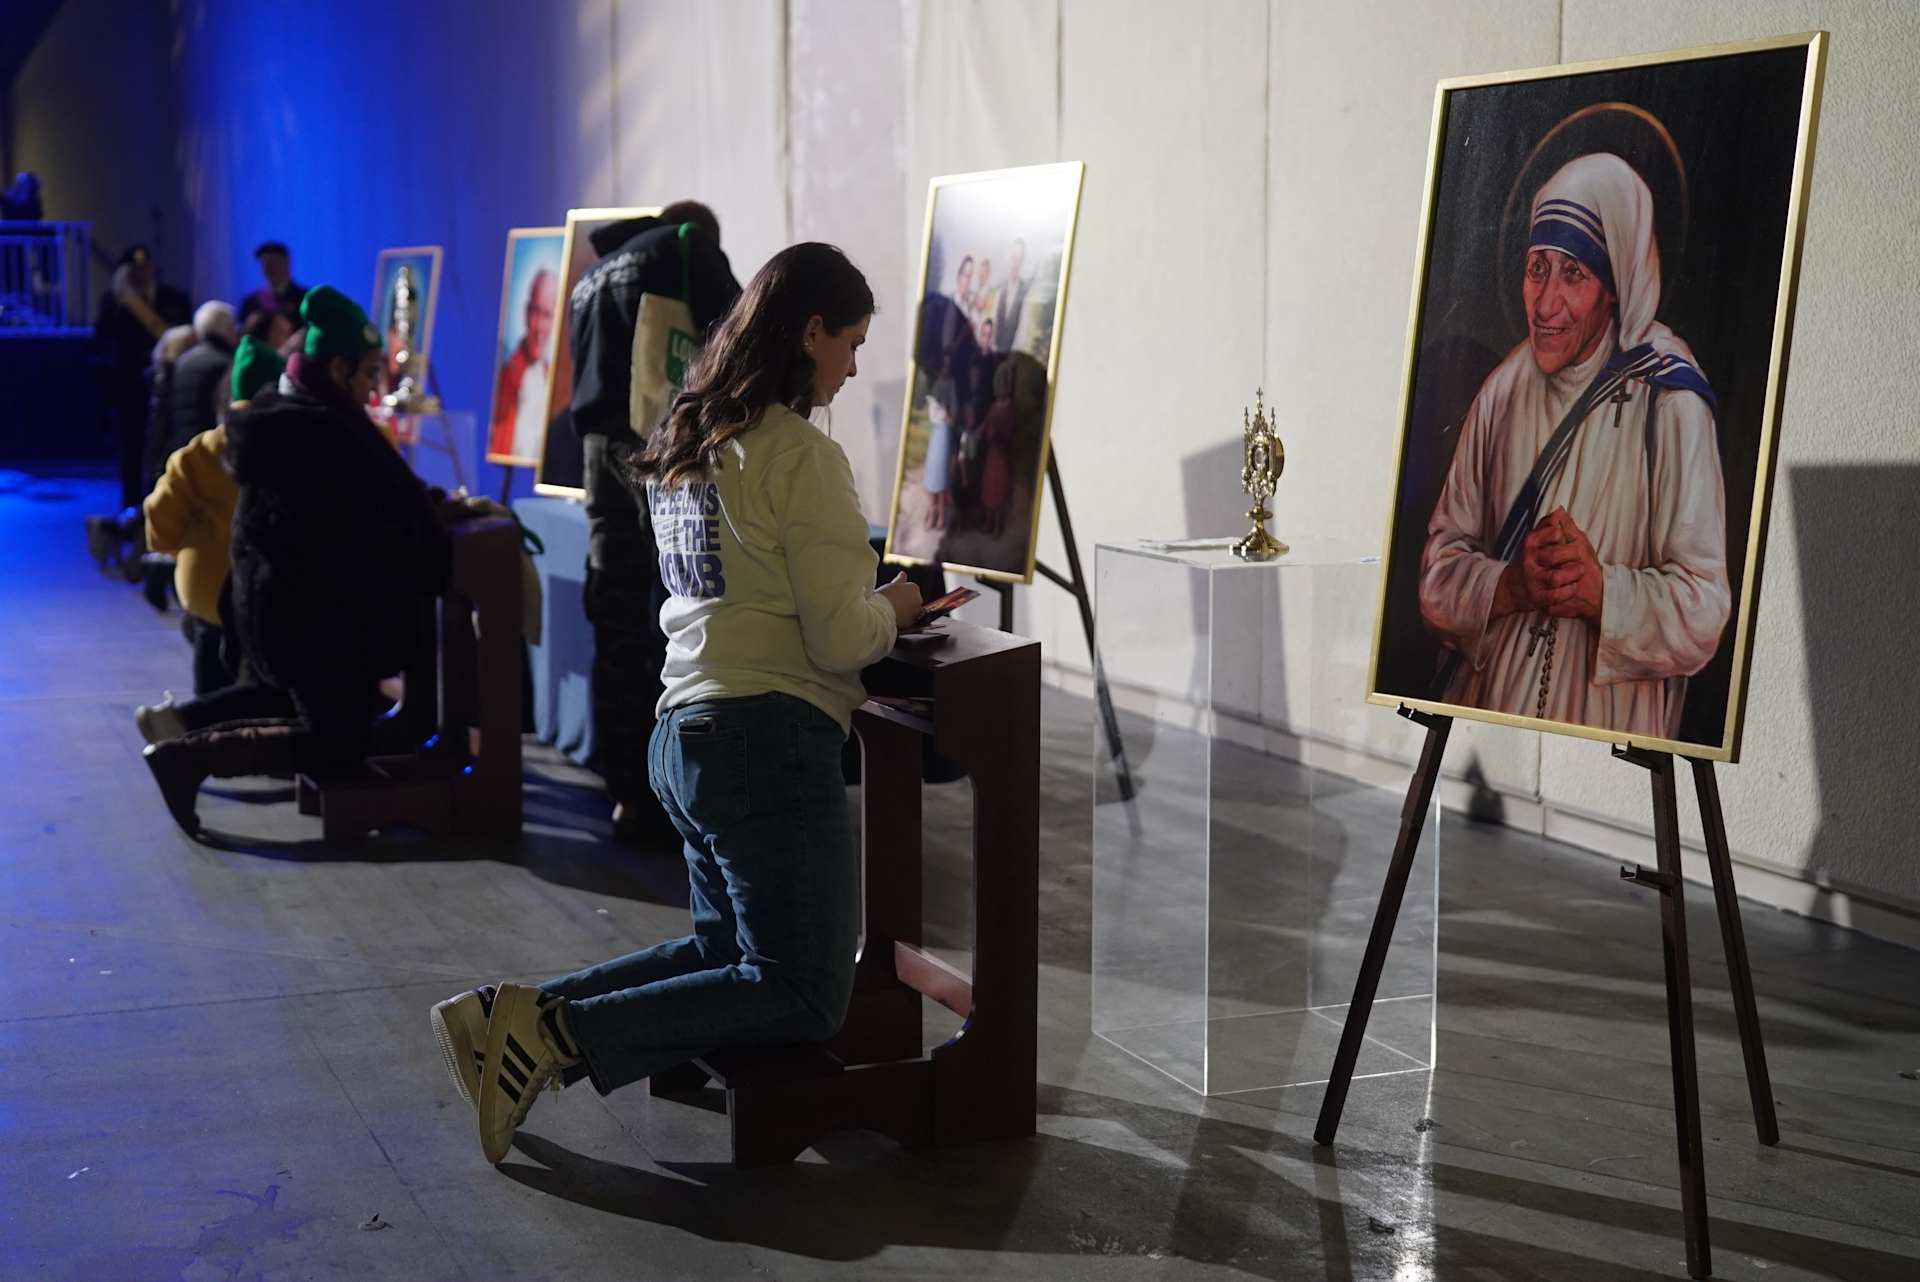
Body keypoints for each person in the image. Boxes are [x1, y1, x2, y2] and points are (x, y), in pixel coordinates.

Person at [430, 243, 923, 1165]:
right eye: (850, 342)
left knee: (725, 953)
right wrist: (897, 604)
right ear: (810, 332)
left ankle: (516, 1017)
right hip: (764, 740)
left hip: (684, 733)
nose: (854, 366)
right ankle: (555, 1040)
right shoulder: (801, 456)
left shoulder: (687, 442)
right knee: (806, 991)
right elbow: (839, 638)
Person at [1419, 153, 1730, 738]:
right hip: (1493, 722)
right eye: (1537, 268)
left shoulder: (1670, 397)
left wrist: (1602, 591)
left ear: (1615, 288)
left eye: (1574, 275)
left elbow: (1705, 609)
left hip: (1612, 734)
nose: (1545, 304)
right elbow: (1438, 577)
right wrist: (1509, 586)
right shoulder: (1503, 392)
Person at [141, 286, 452, 836]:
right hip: (305, 616)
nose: (372, 386)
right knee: (340, 740)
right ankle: (188, 759)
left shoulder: (281, 418)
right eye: (367, 372)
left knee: (285, 700)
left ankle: (179, 728)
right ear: (338, 367)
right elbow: (380, 512)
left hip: (272, 607)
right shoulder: (325, 431)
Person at [568, 200, 742, 843]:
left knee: (612, 612)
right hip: (654, 450)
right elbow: (740, 334)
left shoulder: (597, 268)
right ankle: (676, 793)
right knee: (678, 613)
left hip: (596, 453)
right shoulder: (688, 246)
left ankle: (624, 792)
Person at [139, 334, 285, 715]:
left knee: (210, 657)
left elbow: (160, 514)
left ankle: (204, 728)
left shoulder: (200, 451)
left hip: (206, 587)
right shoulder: (289, 449)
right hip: (265, 593)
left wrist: (173, 548)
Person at [95, 245, 191, 511]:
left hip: (168, 385)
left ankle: (165, 504)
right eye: (135, 269)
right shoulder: (115, 303)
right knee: (131, 447)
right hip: (131, 388)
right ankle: (131, 505)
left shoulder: (175, 298)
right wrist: (120, 301)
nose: (142, 272)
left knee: (165, 446)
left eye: (145, 266)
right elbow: (102, 340)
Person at [487, 267, 556, 458]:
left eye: (547, 315)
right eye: (536, 312)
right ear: (526, 312)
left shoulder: (553, 381)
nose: (540, 327)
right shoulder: (506, 377)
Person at [237, 241, 308, 328]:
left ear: (287, 263)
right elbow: (241, 332)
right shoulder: (252, 302)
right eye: (265, 263)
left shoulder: (304, 298)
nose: (270, 268)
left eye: (274, 262)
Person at [992, 238, 1031, 353]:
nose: (1015, 261)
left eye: (1018, 257)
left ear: (1022, 260)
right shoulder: (1001, 287)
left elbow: (1022, 331)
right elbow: (994, 320)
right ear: (1009, 257)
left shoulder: (1024, 291)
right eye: (1013, 256)